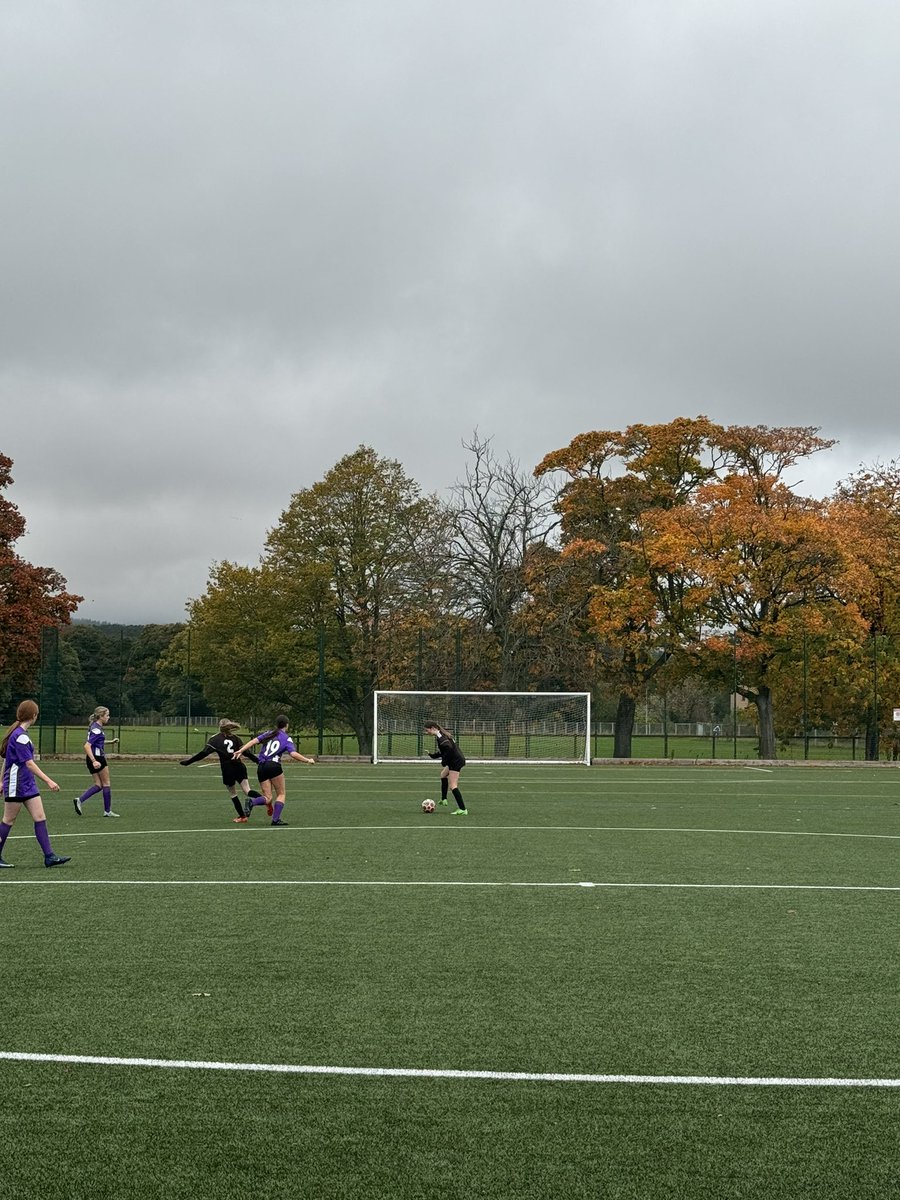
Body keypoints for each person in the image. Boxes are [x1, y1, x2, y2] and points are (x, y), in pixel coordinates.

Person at [1, 699, 71, 869]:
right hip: (17, 785)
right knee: (8, 820)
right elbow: (28, 763)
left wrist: (0, 780)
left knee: (40, 817)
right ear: (33, 716)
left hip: (27, 784)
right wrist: (49, 780)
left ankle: (49, 856)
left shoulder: (19, 734)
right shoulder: (20, 737)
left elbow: (6, 761)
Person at [233, 715, 314, 826]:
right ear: (287, 725)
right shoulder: (286, 738)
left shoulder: (269, 733)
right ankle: (275, 819)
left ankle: (252, 802)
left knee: (268, 797)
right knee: (281, 794)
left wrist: (241, 750)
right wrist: (307, 760)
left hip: (261, 766)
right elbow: (293, 754)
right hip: (273, 765)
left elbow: (253, 742)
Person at [180, 719, 265, 823]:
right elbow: (246, 753)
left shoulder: (215, 739)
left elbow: (203, 753)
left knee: (233, 793)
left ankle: (242, 816)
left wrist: (189, 762)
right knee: (247, 790)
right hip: (239, 766)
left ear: (219, 727)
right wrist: (258, 761)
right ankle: (265, 800)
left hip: (227, 769)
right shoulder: (236, 738)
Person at [73, 705, 119, 817]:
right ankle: (107, 811)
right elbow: (87, 746)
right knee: (106, 783)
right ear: (101, 716)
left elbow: (96, 743)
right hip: (97, 758)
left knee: (99, 785)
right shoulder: (97, 730)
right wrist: (94, 760)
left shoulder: (94, 727)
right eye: (107, 715)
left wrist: (111, 742)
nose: (108, 717)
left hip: (91, 758)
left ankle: (79, 800)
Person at [424, 721, 468, 814]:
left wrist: (444, 761)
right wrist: (433, 755)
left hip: (456, 761)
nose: (426, 732)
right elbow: (444, 750)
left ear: (433, 728)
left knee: (453, 786)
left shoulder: (441, 737)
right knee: (443, 775)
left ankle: (463, 809)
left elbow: (448, 748)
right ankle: (444, 799)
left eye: (427, 730)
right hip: (454, 759)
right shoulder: (441, 735)